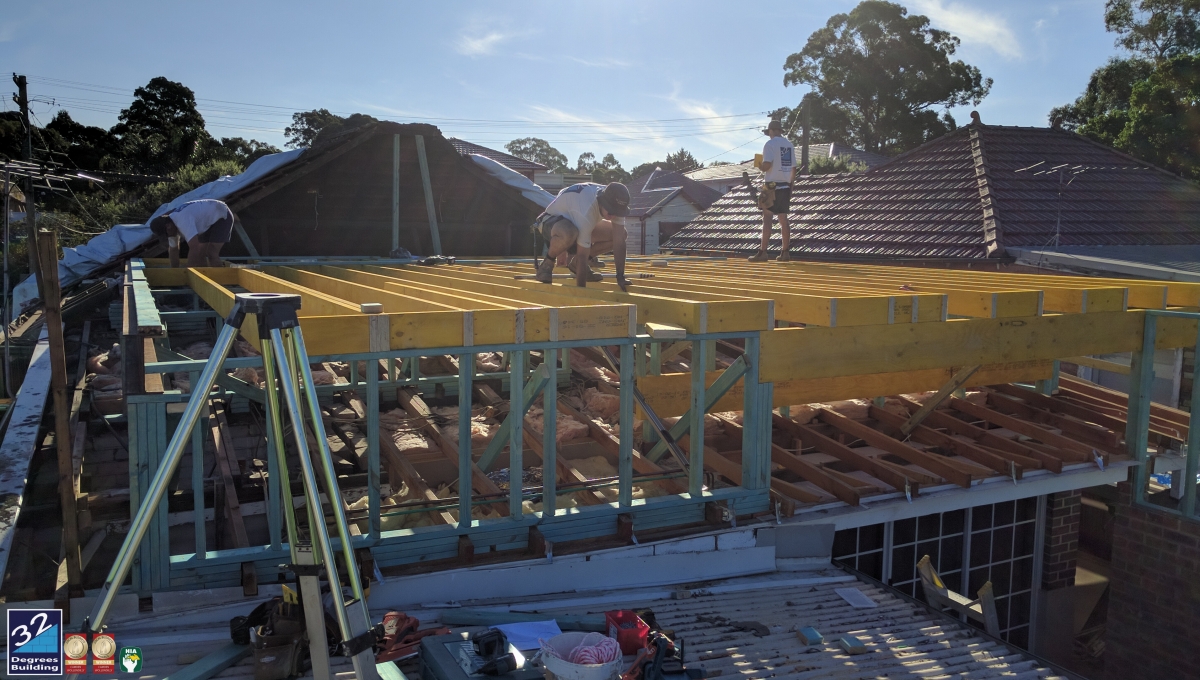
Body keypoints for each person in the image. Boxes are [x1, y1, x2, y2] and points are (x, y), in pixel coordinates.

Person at [533, 182, 632, 289]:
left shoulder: (615, 199)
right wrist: (581, 291)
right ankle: (547, 264)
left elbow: (619, 241)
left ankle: (575, 264)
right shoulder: (586, 210)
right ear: (602, 202)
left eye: (617, 212)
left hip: (576, 220)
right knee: (569, 232)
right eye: (611, 211)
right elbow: (582, 256)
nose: (614, 216)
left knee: (622, 234)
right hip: (551, 221)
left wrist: (620, 276)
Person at [749, 119, 795, 262]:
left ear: (770, 131)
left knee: (767, 218)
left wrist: (759, 165)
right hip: (785, 185)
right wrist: (791, 186)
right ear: (780, 131)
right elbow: (793, 168)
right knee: (783, 219)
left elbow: (767, 165)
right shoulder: (789, 145)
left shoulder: (770, 144)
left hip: (770, 185)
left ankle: (763, 252)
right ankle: (785, 252)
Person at [149, 198, 236, 268]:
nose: (169, 237)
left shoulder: (182, 221)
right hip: (206, 219)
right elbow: (173, 250)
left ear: (168, 226)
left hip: (221, 214)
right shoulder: (171, 226)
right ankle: (205, 279)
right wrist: (175, 271)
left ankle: (221, 280)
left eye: (167, 234)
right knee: (200, 254)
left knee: (211, 253)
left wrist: (188, 272)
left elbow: (194, 247)